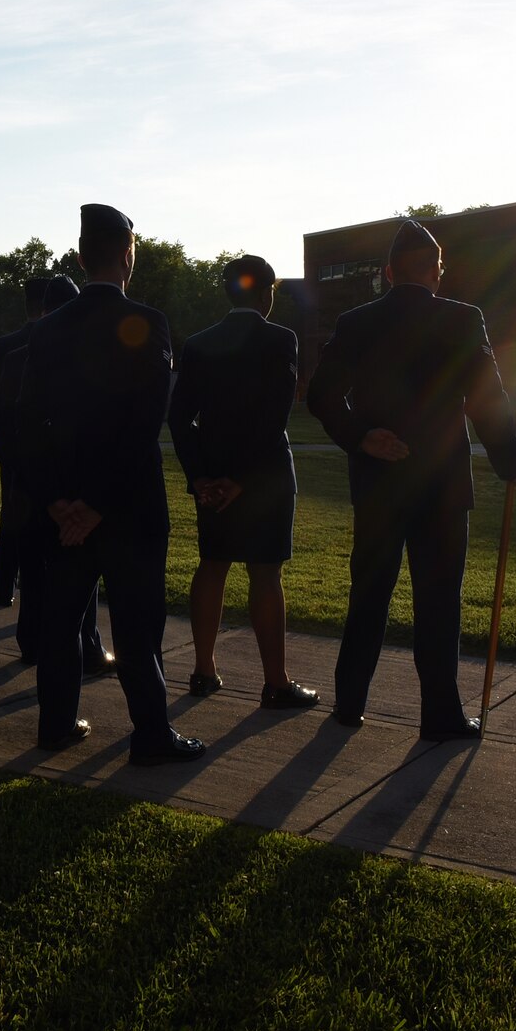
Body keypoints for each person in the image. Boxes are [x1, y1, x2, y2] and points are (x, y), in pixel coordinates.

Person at [306, 218, 516, 740]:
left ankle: (350, 703)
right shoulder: (463, 320)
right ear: (435, 271)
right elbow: (486, 401)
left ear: (386, 273)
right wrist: (508, 460)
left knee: (369, 596)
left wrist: (361, 436)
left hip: (380, 481)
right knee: (439, 603)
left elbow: (320, 395)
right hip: (442, 486)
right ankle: (439, 714)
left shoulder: (357, 322)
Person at [17, 203, 203, 763]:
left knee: (61, 622)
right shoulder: (147, 323)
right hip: (127, 505)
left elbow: (28, 422)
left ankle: (55, 723)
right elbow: (145, 422)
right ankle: (150, 733)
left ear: (80, 255)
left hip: (65, 505)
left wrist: (58, 502)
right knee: (137, 623)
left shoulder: (47, 329)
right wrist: (97, 504)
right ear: (127, 255)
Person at [168, 254, 317, 710]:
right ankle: (275, 681)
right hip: (265, 478)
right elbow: (274, 417)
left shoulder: (198, 343)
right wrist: (242, 479)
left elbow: (178, 418)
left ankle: (203, 670)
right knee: (265, 573)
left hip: (213, 476)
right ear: (267, 293)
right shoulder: (280, 339)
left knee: (212, 565)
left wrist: (202, 478)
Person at [0, 276, 112, 678]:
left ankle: (31, 641)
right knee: (79, 577)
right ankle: (88, 646)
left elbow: (1, 417)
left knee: (31, 568)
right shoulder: (85, 357)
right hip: (65, 479)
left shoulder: (14, 355)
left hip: (23, 479)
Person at [0, 274, 51, 605]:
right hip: (46, 451)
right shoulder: (55, 340)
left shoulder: (6, 344)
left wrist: (6, 442)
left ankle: (3, 585)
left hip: (11, 450)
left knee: (10, 519)